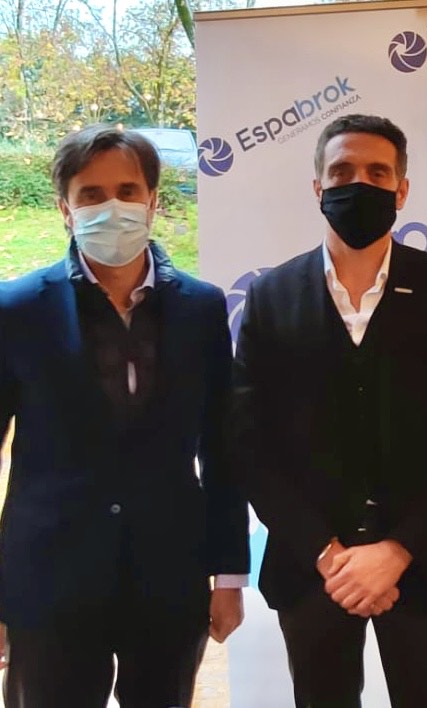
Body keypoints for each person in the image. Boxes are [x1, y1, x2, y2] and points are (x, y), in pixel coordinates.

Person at [231, 113, 427, 707]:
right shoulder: (271, 295)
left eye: (378, 173)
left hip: (426, 566)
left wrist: (396, 551)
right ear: (318, 186)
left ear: (402, 190)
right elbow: (250, 444)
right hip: (312, 570)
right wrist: (330, 556)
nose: (360, 184)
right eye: (342, 171)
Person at [0, 124, 249, 707]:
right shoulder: (16, 310)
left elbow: (222, 448)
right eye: (91, 194)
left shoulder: (202, 308)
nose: (112, 206)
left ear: (153, 201)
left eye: (127, 191)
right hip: (48, 582)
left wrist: (229, 575)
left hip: (169, 577)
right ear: (65, 209)